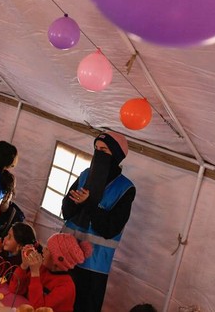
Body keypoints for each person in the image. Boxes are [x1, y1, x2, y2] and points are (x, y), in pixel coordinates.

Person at [61, 131, 135, 312]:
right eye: (96, 148)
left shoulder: (125, 188)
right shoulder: (86, 174)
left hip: (93, 268)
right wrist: (76, 203)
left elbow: (110, 229)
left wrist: (89, 204)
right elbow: (66, 211)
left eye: (104, 150)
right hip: (65, 257)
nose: (98, 153)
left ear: (116, 155)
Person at [9, 233, 92, 312]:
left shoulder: (66, 287)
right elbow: (15, 289)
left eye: (48, 249)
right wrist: (24, 265)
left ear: (57, 261)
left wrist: (35, 273)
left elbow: (38, 309)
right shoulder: (42, 269)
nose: (43, 250)